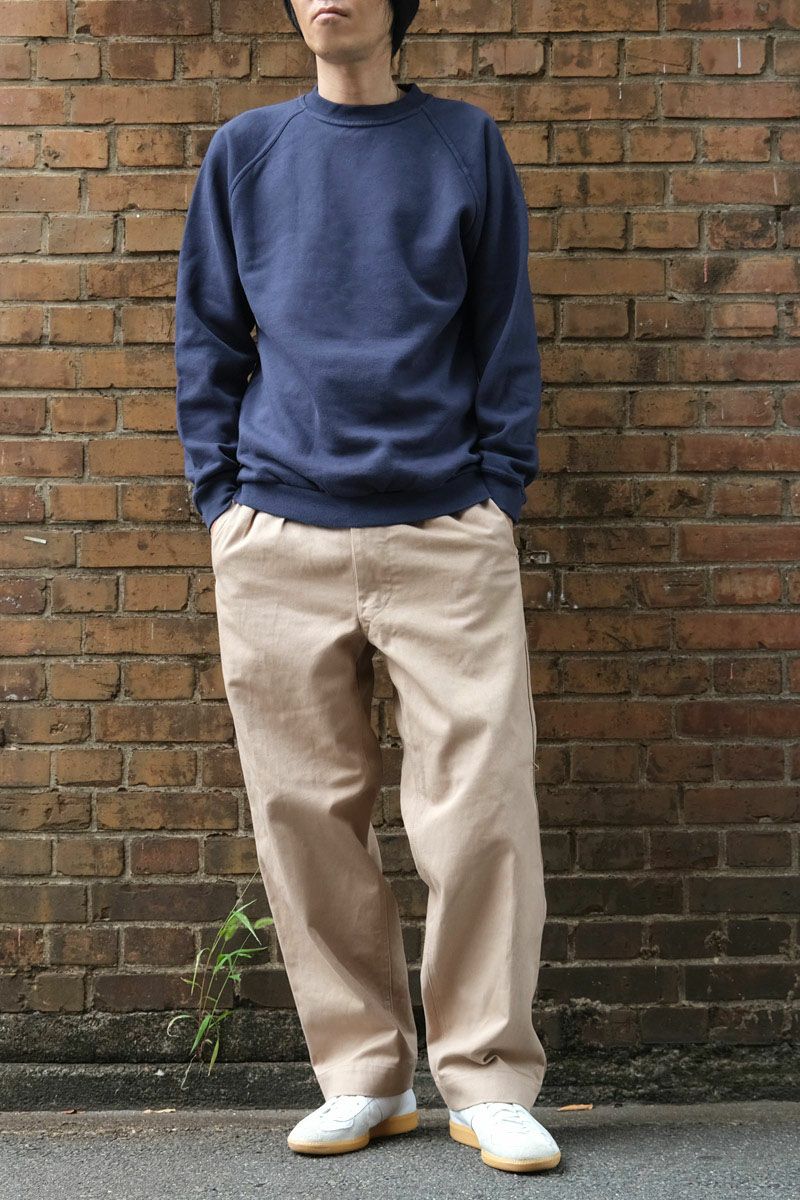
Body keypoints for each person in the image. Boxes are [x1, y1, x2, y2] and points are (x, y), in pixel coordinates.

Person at [174, 0, 561, 1175]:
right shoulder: (246, 151)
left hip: (444, 529)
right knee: (304, 816)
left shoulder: (462, 143)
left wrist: (495, 487)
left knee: (481, 811)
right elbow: (207, 334)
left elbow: (501, 327)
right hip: (276, 534)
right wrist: (220, 499)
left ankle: (485, 1079)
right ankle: (362, 1077)